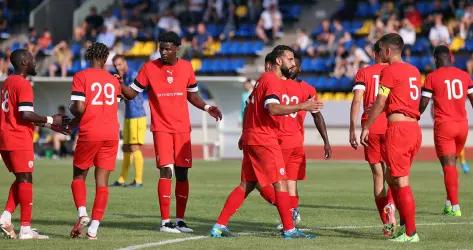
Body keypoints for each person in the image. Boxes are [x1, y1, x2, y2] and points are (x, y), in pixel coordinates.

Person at [210, 45, 322, 239]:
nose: (293, 63)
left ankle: (219, 226)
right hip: (264, 138)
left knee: (246, 184)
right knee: (280, 183)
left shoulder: (261, 81)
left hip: (251, 137)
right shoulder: (272, 80)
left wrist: (244, 135)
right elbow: (273, 109)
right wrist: (303, 105)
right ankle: (289, 229)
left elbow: (249, 109)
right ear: (279, 61)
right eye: (289, 59)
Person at [120, 31, 223, 233]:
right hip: (162, 129)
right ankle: (165, 222)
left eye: (168, 49)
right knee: (167, 170)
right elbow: (131, 93)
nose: (164, 52)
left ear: (177, 48)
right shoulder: (149, 68)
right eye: (161, 49)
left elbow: (192, 96)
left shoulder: (186, 67)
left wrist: (207, 107)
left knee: (183, 174)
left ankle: (181, 220)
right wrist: (118, 84)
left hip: (182, 129)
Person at [361, 33, 422, 243]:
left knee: (400, 180)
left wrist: (367, 125)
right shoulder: (414, 70)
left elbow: (380, 101)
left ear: (387, 51)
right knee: (392, 178)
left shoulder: (389, 70)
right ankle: (405, 224)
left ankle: (410, 233)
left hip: (399, 129)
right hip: (414, 128)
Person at [0, 49, 65, 239]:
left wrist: (48, 124)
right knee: (26, 179)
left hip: (5, 137)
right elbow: (25, 114)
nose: (35, 62)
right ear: (24, 62)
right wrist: (51, 120)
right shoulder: (23, 83)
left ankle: (5, 217)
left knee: (22, 179)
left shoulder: (7, 82)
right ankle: (26, 230)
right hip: (18, 137)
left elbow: (19, 115)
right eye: (32, 59)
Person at [68, 42, 121, 240]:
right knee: (102, 183)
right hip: (111, 133)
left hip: (91, 131)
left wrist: (71, 111)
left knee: (79, 176)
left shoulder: (81, 76)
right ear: (106, 59)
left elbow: (79, 108)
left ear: (89, 57)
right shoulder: (113, 81)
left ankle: (82, 213)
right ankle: (94, 228)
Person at [276, 51, 332, 227]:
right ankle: (292, 214)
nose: (292, 66)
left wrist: (326, 141)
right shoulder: (276, 85)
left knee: (285, 182)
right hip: (280, 140)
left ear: (299, 68)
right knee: (287, 182)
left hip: (290, 142)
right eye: (290, 63)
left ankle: (289, 215)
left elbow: (317, 115)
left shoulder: (306, 89)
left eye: (295, 64)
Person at [419, 45, 473, 217]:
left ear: (436, 59)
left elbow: (424, 103)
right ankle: (449, 203)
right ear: (451, 58)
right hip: (462, 126)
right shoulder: (465, 76)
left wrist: (413, 115)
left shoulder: (432, 77)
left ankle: (455, 207)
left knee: (448, 165)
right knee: (452, 163)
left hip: (445, 126)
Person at [350, 40, 396, 237]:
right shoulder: (396, 71)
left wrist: (352, 128)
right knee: (394, 173)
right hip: (391, 124)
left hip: (370, 127)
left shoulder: (364, 73)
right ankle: (393, 209)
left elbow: (357, 100)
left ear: (375, 53)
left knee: (378, 176)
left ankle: (386, 224)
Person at [110, 55, 146, 188]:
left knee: (135, 147)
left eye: (119, 64)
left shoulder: (133, 74)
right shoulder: (123, 77)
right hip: (128, 116)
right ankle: (121, 179)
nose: (118, 67)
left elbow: (128, 93)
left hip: (138, 115)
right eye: (116, 66)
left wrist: (118, 84)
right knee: (126, 148)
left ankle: (138, 180)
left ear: (125, 63)